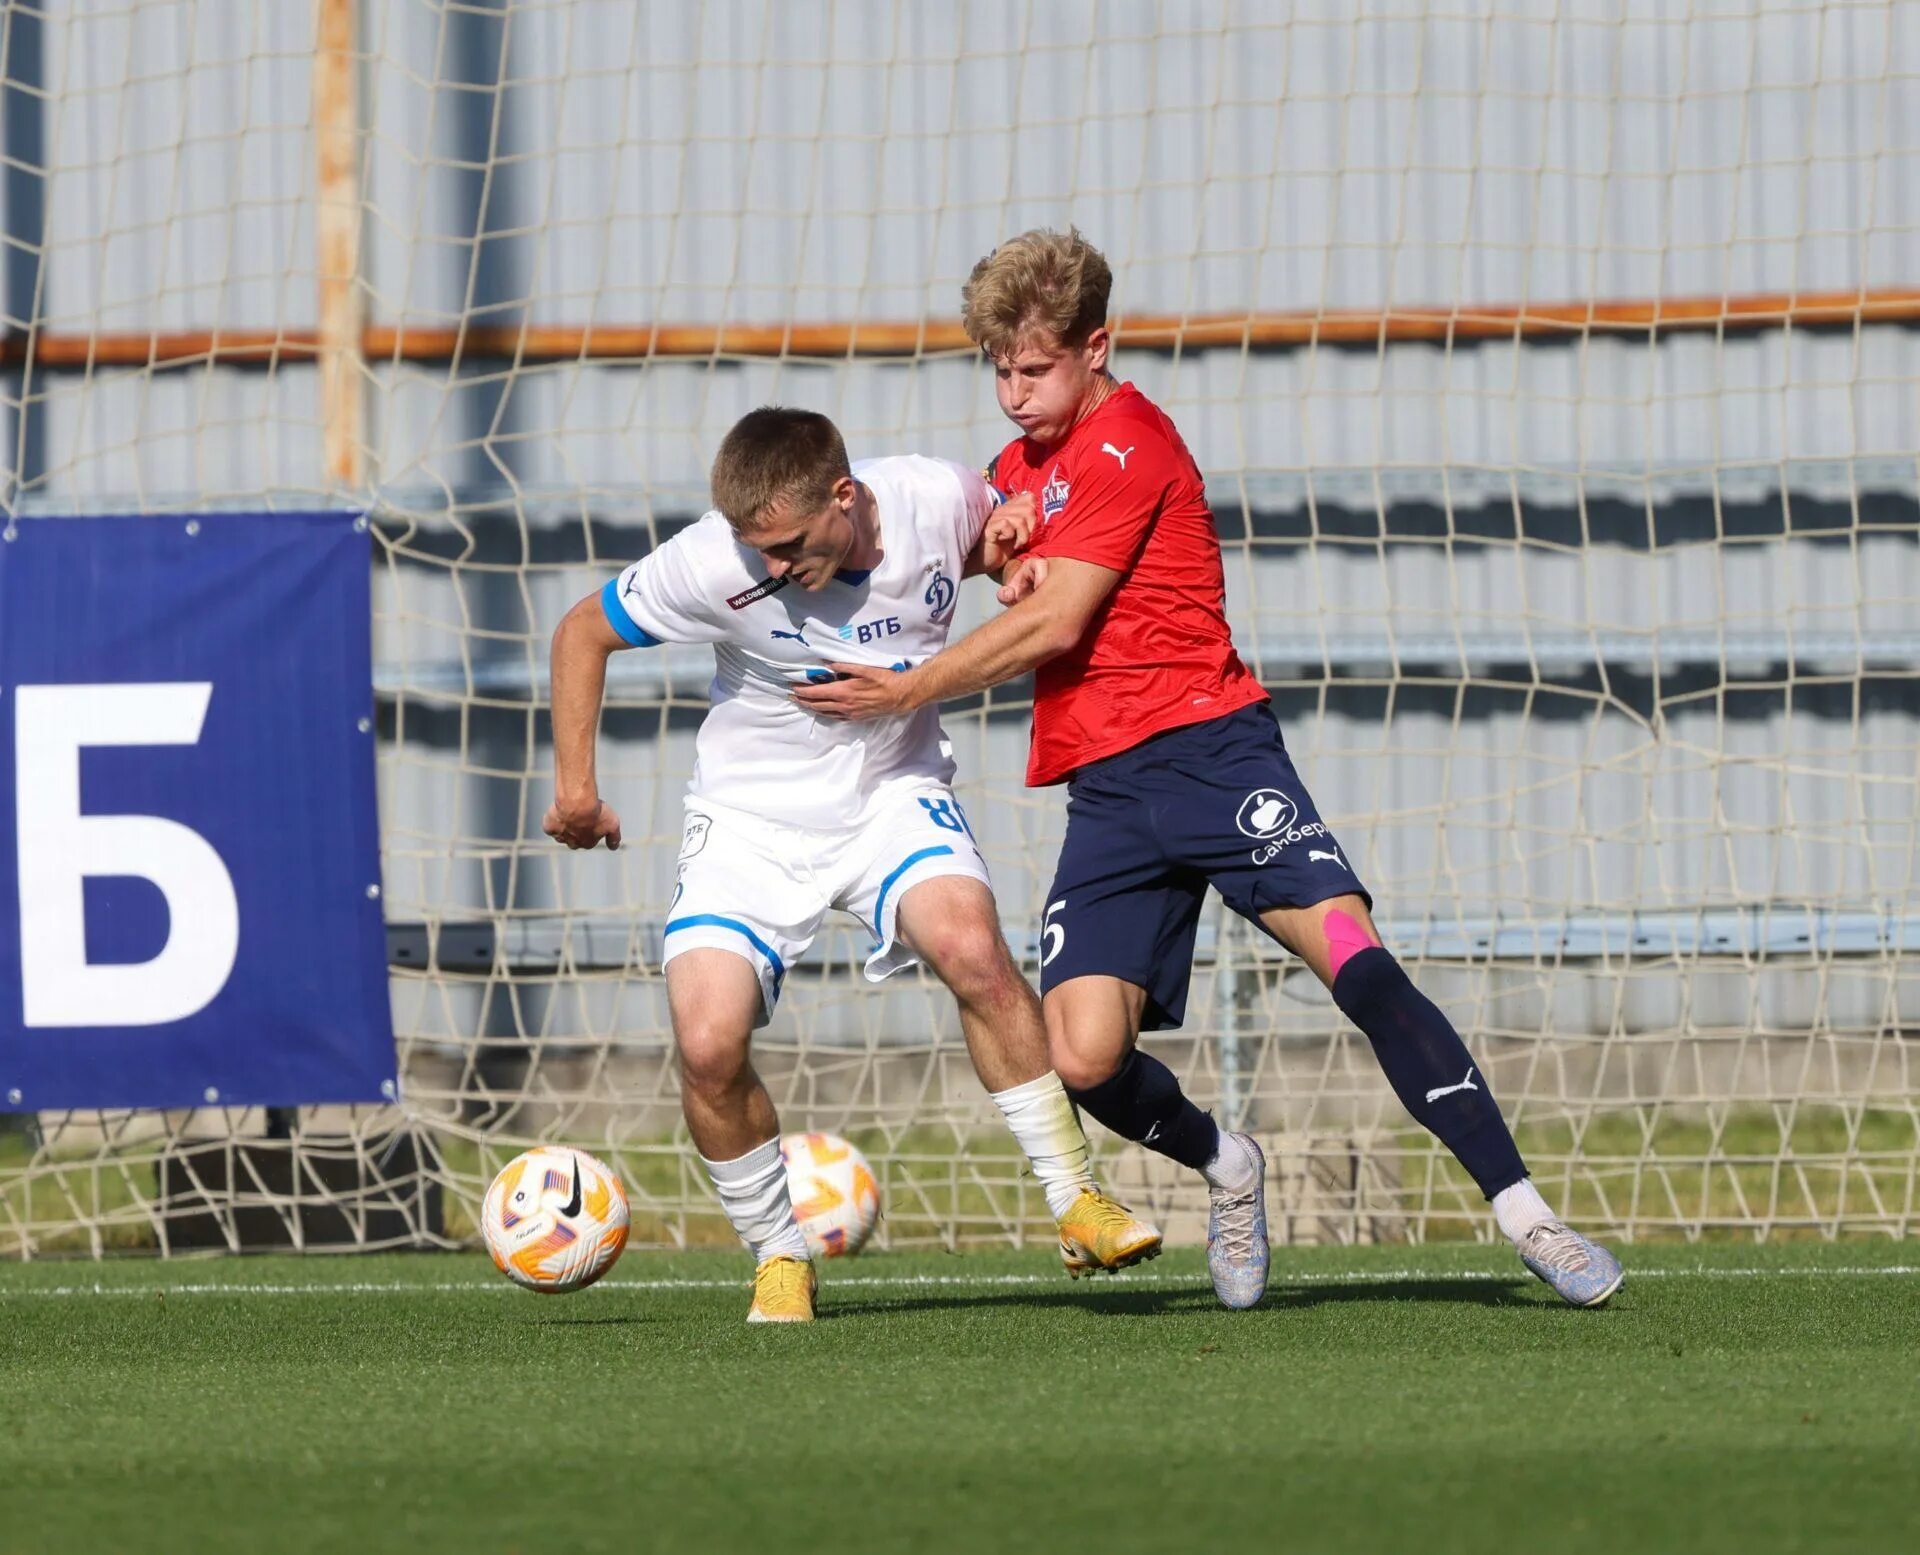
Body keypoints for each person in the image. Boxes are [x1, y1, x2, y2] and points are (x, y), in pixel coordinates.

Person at [795, 230, 1624, 1311]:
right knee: (1082, 1058)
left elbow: (1060, 620)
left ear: (1097, 348)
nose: (1011, 391)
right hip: (1110, 791)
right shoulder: (1015, 470)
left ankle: (1527, 1214)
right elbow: (1000, 560)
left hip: (1215, 753)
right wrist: (995, 544)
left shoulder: (1131, 443)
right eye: (997, 368)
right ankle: (1231, 1167)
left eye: (1033, 368)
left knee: (1358, 965)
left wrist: (912, 685)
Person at [544, 405, 1161, 1323]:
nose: (775, 568)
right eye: (759, 552)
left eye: (790, 546)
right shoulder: (714, 560)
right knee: (708, 1044)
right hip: (750, 815)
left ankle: (1075, 1199)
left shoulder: (933, 493)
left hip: (890, 790)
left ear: (845, 496)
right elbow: (580, 630)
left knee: (974, 949)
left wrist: (1011, 553)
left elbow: (994, 537)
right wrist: (578, 790)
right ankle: (779, 1255)